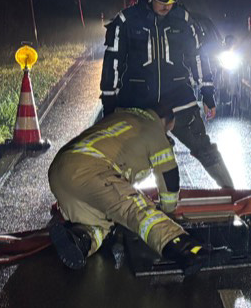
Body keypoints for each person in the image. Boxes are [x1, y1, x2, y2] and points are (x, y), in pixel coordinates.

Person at [100, 0, 235, 190]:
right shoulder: (126, 22)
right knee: (130, 157)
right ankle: (118, 200)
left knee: (204, 147)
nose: (168, 5)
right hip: (139, 105)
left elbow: (198, 56)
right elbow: (112, 63)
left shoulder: (183, 20)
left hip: (180, 100)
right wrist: (110, 105)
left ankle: (233, 194)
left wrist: (207, 94)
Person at [48, 104, 214, 275]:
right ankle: (187, 249)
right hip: (88, 168)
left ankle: (80, 240)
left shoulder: (126, 117)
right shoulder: (154, 130)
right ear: (168, 122)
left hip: (60, 172)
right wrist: (168, 214)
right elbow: (168, 178)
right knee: (135, 208)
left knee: (103, 222)